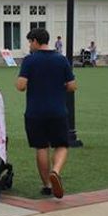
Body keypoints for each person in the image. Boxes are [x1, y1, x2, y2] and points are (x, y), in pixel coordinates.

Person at [16, 28, 76, 199]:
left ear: (35, 41)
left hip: (35, 111)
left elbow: (21, 86)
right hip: (57, 110)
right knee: (62, 145)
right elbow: (72, 86)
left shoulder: (30, 60)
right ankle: (55, 171)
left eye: (30, 42)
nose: (29, 45)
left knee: (41, 147)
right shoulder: (61, 59)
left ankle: (47, 185)